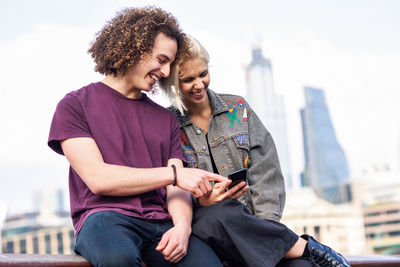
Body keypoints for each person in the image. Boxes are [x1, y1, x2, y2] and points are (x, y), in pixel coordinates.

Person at [48, 7, 227, 267]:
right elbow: (98, 179)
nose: (166, 73)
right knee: (118, 258)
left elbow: (176, 188)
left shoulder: (166, 119)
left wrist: (182, 228)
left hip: (161, 223)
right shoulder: (75, 105)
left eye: (170, 64)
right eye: (161, 60)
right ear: (135, 48)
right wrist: (175, 175)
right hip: (103, 219)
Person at [161, 35, 351, 267]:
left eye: (203, 74)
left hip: (254, 230)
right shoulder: (168, 123)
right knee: (220, 212)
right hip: (205, 228)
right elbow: (168, 185)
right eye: (188, 79)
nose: (199, 84)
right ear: (172, 82)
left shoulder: (237, 108)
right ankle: (307, 247)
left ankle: (299, 252)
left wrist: (265, 228)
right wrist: (202, 202)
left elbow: (266, 170)